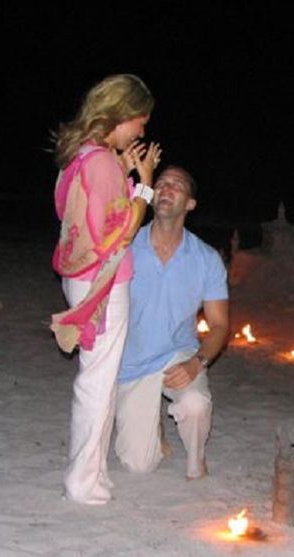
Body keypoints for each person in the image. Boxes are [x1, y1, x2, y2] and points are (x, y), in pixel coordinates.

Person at [50, 74, 162, 505]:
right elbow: (117, 234)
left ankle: (91, 473)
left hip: (84, 275)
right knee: (98, 380)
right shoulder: (98, 161)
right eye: (140, 121)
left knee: (97, 376)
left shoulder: (84, 155)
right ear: (120, 115)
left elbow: (95, 210)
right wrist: (146, 185)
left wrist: (126, 171)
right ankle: (83, 481)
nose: (142, 131)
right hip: (102, 278)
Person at [114, 166, 229, 479]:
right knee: (138, 464)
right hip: (131, 360)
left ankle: (196, 456)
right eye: (161, 184)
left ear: (190, 204)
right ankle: (155, 429)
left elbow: (219, 326)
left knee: (195, 404)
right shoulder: (125, 243)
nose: (166, 189)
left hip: (177, 356)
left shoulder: (206, 258)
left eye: (176, 186)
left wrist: (197, 363)